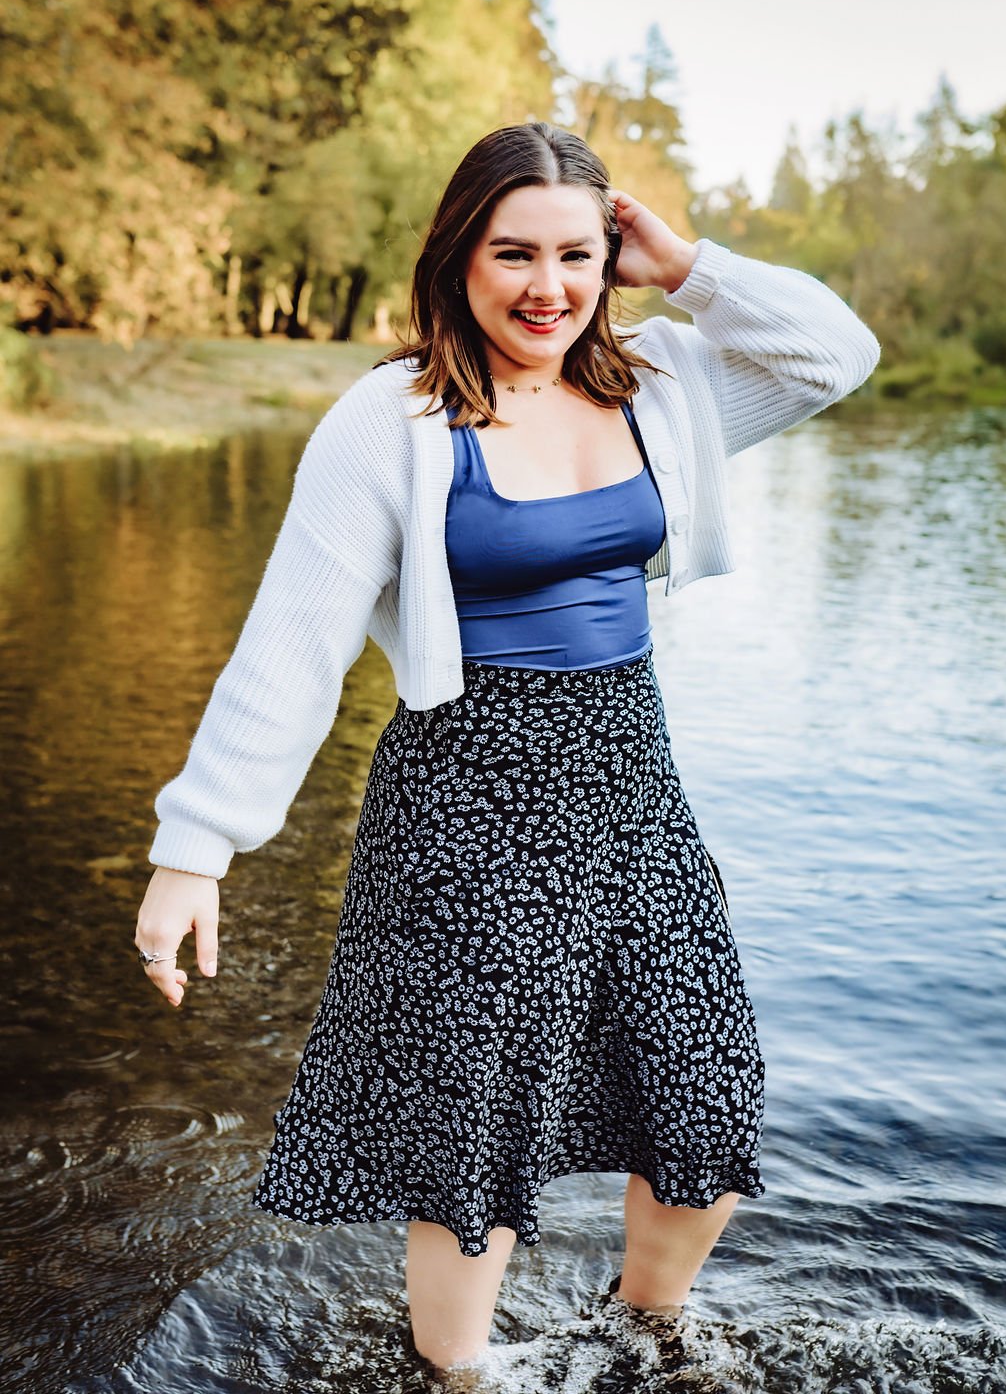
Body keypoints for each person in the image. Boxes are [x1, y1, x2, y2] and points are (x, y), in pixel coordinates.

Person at [135, 121, 881, 1374]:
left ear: (610, 255)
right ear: (457, 257)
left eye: (576, 254)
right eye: (513, 252)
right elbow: (292, 645)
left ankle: (649, 1339)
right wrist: (195, 848)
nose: (548, 287)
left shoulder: (662, 385)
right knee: (472, 1137)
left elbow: (832, 354)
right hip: (464, 794)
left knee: (705, 1088)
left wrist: (683, 262)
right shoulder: (392, 419)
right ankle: (459, 1376)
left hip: (632, 785)